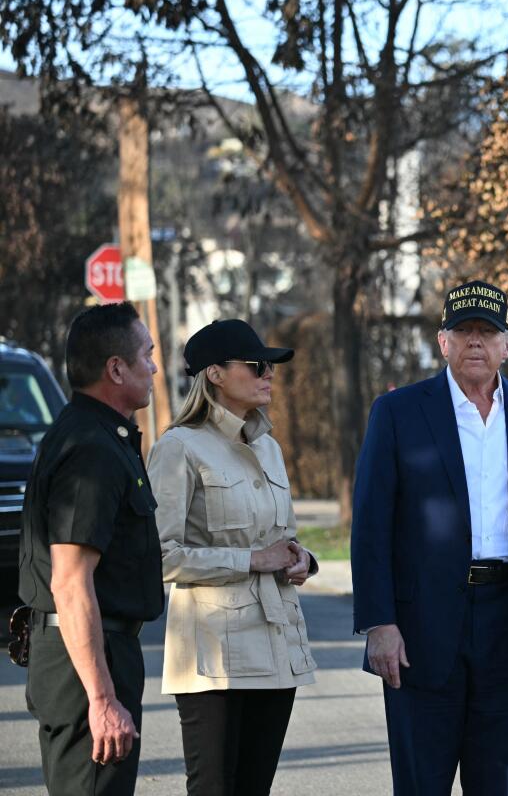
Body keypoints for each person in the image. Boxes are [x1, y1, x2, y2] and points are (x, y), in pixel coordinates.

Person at [351, 279, 508, 795]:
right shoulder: (398, 413)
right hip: (420, 629)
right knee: (421, 783)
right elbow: (371, 525)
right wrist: (378, 622)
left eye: (488, 332)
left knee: (504, 784)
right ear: (443, 342)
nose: (475, 343)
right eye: (464, 332)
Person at [146, 319, 318, 796]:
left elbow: (282, 538)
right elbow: (159, 556)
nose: (269, 374)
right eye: (257, 365)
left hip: (277, 645)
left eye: (271, 366)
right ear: (215, 374)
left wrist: (301, 558)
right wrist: (250, 560)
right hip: (212, 658)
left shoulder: (269, 446)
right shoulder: (178, 447)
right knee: (214, 789)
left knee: (254, 788)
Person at [18, 302, 165, 795]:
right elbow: (70, 580)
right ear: (116, 368)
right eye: (147, 355)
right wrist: (101, 699)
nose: (154, 367)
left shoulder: (101, 436)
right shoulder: (92, 449)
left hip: (96, 653)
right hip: (86, 663)